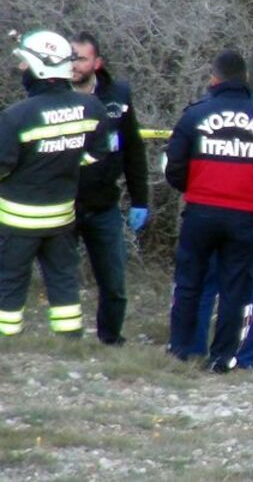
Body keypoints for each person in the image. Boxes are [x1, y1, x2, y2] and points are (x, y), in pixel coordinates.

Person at [164, 49, 253, 373]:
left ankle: (181, 350)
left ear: (214, 78)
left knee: (190, 283)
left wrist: (193, 189)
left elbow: (173, 165)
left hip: (200, 211)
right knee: (236, 288)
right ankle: (223, 358)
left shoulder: (195, 114)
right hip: (245, 215)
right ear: (245, 78)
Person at [0, 30, 109, 337]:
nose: (21, 69)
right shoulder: (91, 107)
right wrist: (65, 164)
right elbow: (98, 153)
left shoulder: (16, 116)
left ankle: (6, 340)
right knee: (63, 279)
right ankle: (70, 338)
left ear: (40, 69)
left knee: (10, 281)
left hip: (18, 220)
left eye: (25, 64)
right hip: (62, 217)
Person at [70, 31, 150, 346]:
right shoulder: (52, 95)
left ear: (97, 62)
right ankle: (67, 339)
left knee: (114, 281)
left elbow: (134, 150)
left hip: (103, 205)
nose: (73, 65)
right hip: (63, 203)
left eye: (80, 59)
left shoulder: (118, 96)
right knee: (63, 279)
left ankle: (111, 338)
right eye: (69, 58)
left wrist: (140, 200)